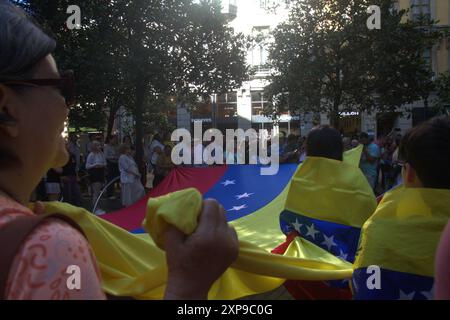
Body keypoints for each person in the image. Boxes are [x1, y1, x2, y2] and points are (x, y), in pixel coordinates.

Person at [0, 1, 238, 300]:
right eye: (63, 86)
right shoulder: (49, 248)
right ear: (6, 107)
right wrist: (189, 285)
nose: (68, 104)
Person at [85, 140, 106, 213]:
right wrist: (95, 165)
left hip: (101, 172)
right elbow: (87, 166)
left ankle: (98, 206)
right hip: (94, 173)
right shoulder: (91, 155)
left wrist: (102, 165)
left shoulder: (101, 154)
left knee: (99, 191)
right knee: (96, 192)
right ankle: (95, 208)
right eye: (97, 145)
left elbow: (105, 162)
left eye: (100, 145)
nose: (99, 147)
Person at [61, 141, 83, 206]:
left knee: (77, 194)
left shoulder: (72, 155)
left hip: (73, 176)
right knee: (68, 195)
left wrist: (77, 176)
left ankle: (78, 207)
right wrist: (61, 176)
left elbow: (74, 167)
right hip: (66, 176)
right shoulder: (62, 155)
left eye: (69, 145)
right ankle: (68, 208)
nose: (68, 146)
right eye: (66, 144)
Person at [104, 135, 120, 199]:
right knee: (110, 179)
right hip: (110, 164)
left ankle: (113, 193)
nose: (115, 140)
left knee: (116, 178)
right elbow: (106, 156)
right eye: (114, 139)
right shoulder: (107, 147)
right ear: (110, 140)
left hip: (116, 164)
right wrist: (113, 157)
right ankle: (109, 194)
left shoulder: (117, 147)